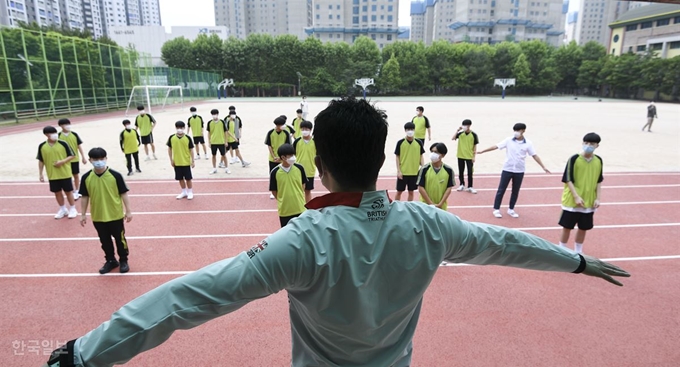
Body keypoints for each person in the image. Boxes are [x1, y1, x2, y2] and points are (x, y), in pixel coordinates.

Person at [44, 97, 629, 367]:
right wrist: (575, 261)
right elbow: (505, 245)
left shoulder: (303, 239)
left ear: (317, 162)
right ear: (383, 156)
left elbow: (187, 299)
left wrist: (84, 355)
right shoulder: (431, 225)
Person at [477, 123, 551, 219]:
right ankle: (496, 209)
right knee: (501, 189)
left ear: (523, 131)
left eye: (518, 131)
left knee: (515, 191)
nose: (516, 133)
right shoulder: (508, 140)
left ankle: (511, 209)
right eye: (515, 131)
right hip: (507, 169)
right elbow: (496, 146)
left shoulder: (528, 143)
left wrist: (543, 167)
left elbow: (534, 155)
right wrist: (482, 151)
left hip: (519, 170)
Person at [78, 147, 133, 274]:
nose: (99, 162)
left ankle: (123, 260)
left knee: (120, 239)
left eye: (101, 159)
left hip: (115, 214)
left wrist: (128, 211)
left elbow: (123, 193)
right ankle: (110, 260)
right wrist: (83, 214)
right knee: (104, 241)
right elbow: (84, 196)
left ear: (106, 159)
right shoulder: (86, 177)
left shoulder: (115, 175)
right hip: (98, 216)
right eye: (95, 159)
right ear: (90, 160)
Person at [558, 133, 603, 254]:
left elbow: (599, 181)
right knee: (567, 227)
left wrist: (598, 198)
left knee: (583, 228)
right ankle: (562, 250)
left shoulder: (598, 160)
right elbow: (568, 179)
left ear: (597, 146)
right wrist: (576, 196)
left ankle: (578, 251)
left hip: (588, 201)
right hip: (572, 201)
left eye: (592, 144)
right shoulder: (574, 159)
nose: (588, 146)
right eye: (586, 143)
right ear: (583, 143)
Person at [37, 126, 78, 219]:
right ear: (46, 135)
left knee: (68, 192)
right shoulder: (42, 146)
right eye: (52, 133)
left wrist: (62, 162)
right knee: (57, 193)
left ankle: (73, 208)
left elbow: (72, 155)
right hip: (52, 175)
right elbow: (41, 160)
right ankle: (63, 209)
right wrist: (40, 173)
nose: (55, 135)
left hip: (65, 173)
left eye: (55, 132)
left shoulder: (63, 143)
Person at [269, 143, 307, 227]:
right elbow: (274, 191)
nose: (293, 157)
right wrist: (283, 199)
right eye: (290, 156)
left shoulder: (299, 168)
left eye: (293, 155)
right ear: (283, 157)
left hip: (300, 208)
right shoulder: (275, 172)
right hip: (285, 211)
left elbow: (303, 186)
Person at [417, 142, 455, 210]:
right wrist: (430, 203)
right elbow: (420, 188)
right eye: (432, 151)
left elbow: (449, 188)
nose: (433, 154)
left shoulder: (449, 170)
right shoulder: (424, 169)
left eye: (436, 152)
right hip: (425, 206)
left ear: (443, 155)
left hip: (441, 206)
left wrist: (440, 203)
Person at [57, 118, 87, 200]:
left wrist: (83, 157)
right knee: (67, 176)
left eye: (68, 124)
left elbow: (79, 146)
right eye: (65, 124)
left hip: (75, 159)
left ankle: (77, 190)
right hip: (65, 160)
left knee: (76, 175)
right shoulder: (59, 136)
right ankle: (70, 190)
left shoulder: (74, 134)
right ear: (60, 126)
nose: (67, 126)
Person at [395, 122, 424, 201]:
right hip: (403, 172)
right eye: (408, 129)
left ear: (414, 130)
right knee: (399, 192)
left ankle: (409, 207)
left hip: (414, 172)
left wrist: (423, 167)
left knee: (411, 192)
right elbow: (397, 157)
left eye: (411, 129)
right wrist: (398, 171)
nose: (410, 131)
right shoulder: (400, 143)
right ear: (405, 130)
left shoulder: (419, 142)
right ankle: (395, 207)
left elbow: (421, 156)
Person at [167, 121, 196, 200]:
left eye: (181, 128)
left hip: (186, 162)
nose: (179, 129)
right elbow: (169, 149)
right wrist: (171, 160)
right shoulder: (172, 137)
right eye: (178, 128)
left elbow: (191, 150)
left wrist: (192, 161)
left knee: (188, 178)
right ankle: (184, 192)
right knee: (180, 178)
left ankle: (190, 192)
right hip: (177, 162)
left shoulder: (188, 138)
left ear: (184, 128)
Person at [265, 116, 292, 198]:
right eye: (282, 125)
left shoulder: (286, 133)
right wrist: (274, 157)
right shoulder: (270, 133)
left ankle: (284, 189)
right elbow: (269, 146)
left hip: (283, 159)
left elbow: (288, 146)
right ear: (277, 125)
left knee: (284, 174)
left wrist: (281, 158)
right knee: (273, 174)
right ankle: (274, 191)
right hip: (273, 159)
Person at [452, 119, 479, 194]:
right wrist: (457, 130)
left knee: (470, 172)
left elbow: (475, 146)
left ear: (469, 126)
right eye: (463, 125)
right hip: (460, 155)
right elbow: (453, 138)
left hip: (469, 156)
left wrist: (474, 156)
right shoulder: (460, 134)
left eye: (465, 125)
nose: (464, 127)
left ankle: (470, 186)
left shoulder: (474, 135)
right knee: (461, 171)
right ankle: (461, 184)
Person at [293, 120, 316, 202]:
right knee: (299, 190)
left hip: (310, 170)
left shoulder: (315, 141)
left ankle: (308, 207)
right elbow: (293, 154)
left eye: (306, 129)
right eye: (302, 129)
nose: (304, 131)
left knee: (308, 190)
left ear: (310, 130)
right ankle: (300, 207)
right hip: (298, 170)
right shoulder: (297, 141)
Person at [207, 109, 233, 174]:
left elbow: (225, 132)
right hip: (213, 142)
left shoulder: (222, 122)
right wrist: (209, 142)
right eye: (213, 114)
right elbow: (209, 133)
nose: (214, 115)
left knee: (224, 155)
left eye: (215, 114)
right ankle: (214, 168)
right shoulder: (209, 123)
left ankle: (226, 168)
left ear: (217, 114)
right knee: (213, 155)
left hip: (221, 142)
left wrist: (226, 141)